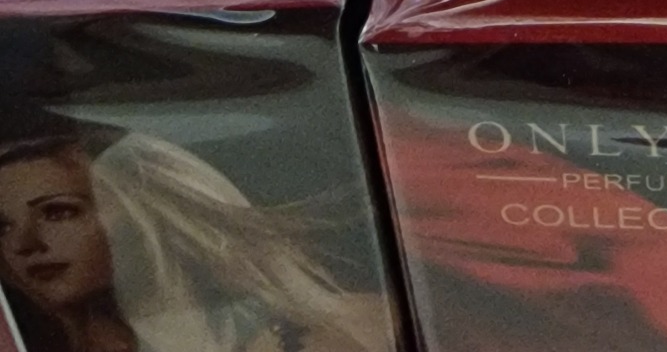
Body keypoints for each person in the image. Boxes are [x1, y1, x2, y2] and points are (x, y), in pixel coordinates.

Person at [0, 130, 389, 352]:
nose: (24, 243)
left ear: (144, 212)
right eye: (2, 227)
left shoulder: (347, 329)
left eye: (58, 212)